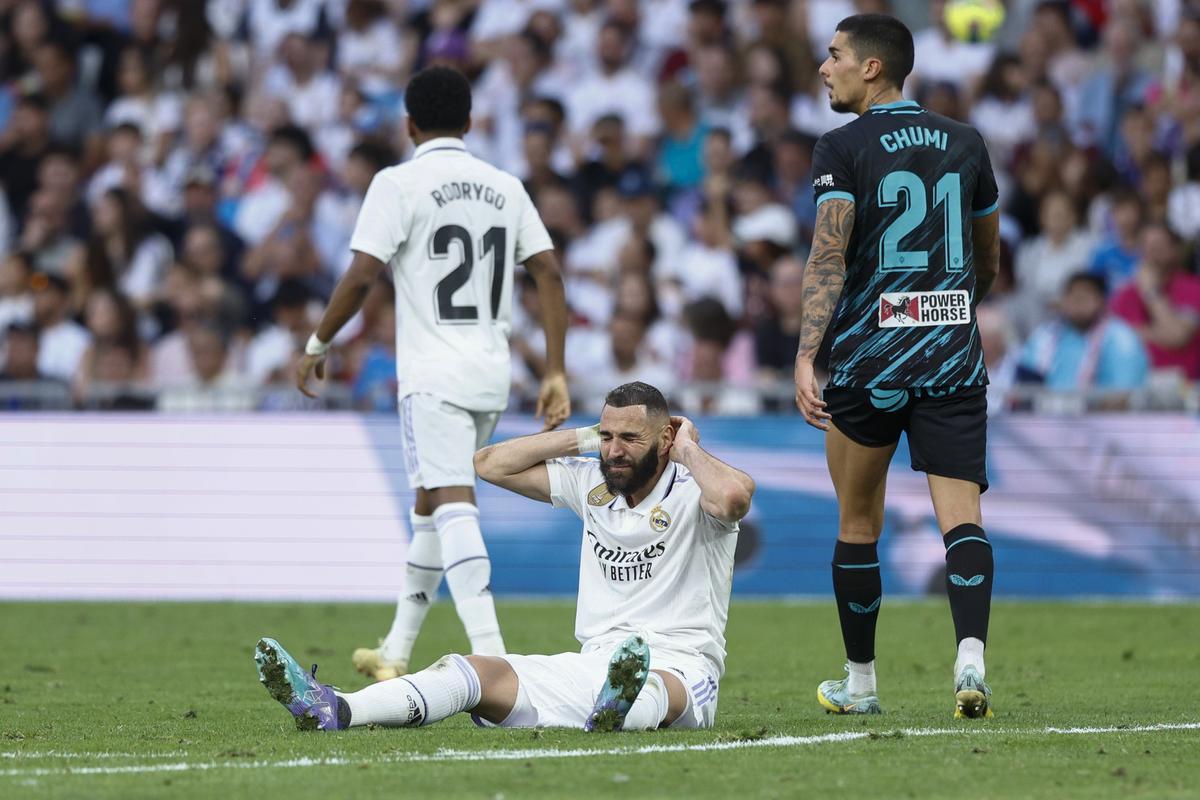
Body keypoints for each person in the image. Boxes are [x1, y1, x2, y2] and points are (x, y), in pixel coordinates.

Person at [253, 381, 754, 732]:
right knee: (478, 670)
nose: (615, 451)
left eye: (630, 438)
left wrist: (686, 448)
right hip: (594, 664)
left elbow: (734, 498)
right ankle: (336, 708)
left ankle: (624, 706)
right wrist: (586, 438)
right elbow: (489, 464)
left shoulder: (698, 488)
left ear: (665, 438)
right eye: (608, 437)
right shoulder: (590, 481)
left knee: (655, 688)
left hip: (683, 669)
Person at [295, 67, 571, 683]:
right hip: (490, 370)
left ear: (408, 124)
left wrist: (318, 342)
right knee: (430, 503)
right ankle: (395, 650)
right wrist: (553, 369)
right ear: (470, 122)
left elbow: (364, 273)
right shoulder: (505, 185)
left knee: (451, 500)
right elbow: (548, 272)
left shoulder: (397, 183)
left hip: (432, 373)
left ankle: (493, 656)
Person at [793, 14, 1002, 719]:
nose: (825, 68)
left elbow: (828, 253)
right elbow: (988, 259)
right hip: (951, 362)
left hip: (868, 365)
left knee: (858, 523)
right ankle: (970, 657)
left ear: (872, 68)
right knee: (963, 521)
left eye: (835, 55)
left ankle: (860, 685)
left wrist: (805, 353)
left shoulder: (842, 145)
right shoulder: (967, 143)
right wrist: (940, 313)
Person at [1016, 273, 1148, 398]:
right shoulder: (1044, 335)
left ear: (1102, 302)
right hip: (1042, 416)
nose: (1078, 302)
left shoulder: (1121, 339)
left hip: (1102, 417)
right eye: (1072, 296)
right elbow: (1024, 384)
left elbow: (1123, 395)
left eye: (1085, 297)